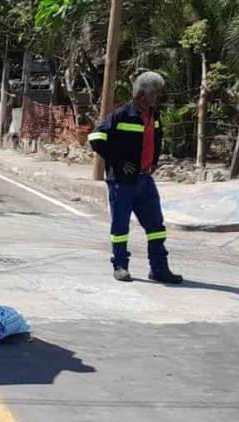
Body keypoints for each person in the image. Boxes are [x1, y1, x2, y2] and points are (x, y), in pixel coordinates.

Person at [88, 71, 182, 284]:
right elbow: (95, 137)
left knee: (156, 227)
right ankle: (120, 265)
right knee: (120, 227)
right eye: (154, 93)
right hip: (122, 181)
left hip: (145, 180)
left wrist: (154, 161)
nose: (157, 97)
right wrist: (119, 162)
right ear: (141, 94)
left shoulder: (154, 116)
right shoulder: (121, 115)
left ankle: (159, 268)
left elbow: (156, 139)